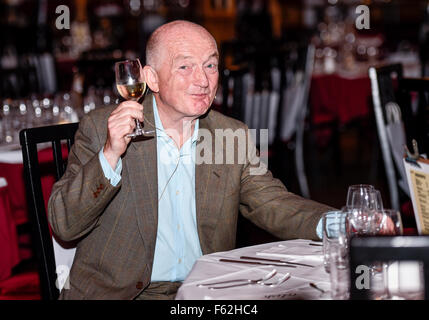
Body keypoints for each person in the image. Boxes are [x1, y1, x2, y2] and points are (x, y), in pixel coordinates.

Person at [48, 20, 334, 300]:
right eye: (185, 67)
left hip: (204, 292)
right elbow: (65, 225)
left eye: (210, 66)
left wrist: (337, 224)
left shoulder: (229, 134)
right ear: (152, 78)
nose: (203, 80)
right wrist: (110, 154)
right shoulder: (104, 129)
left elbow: (272, 202)